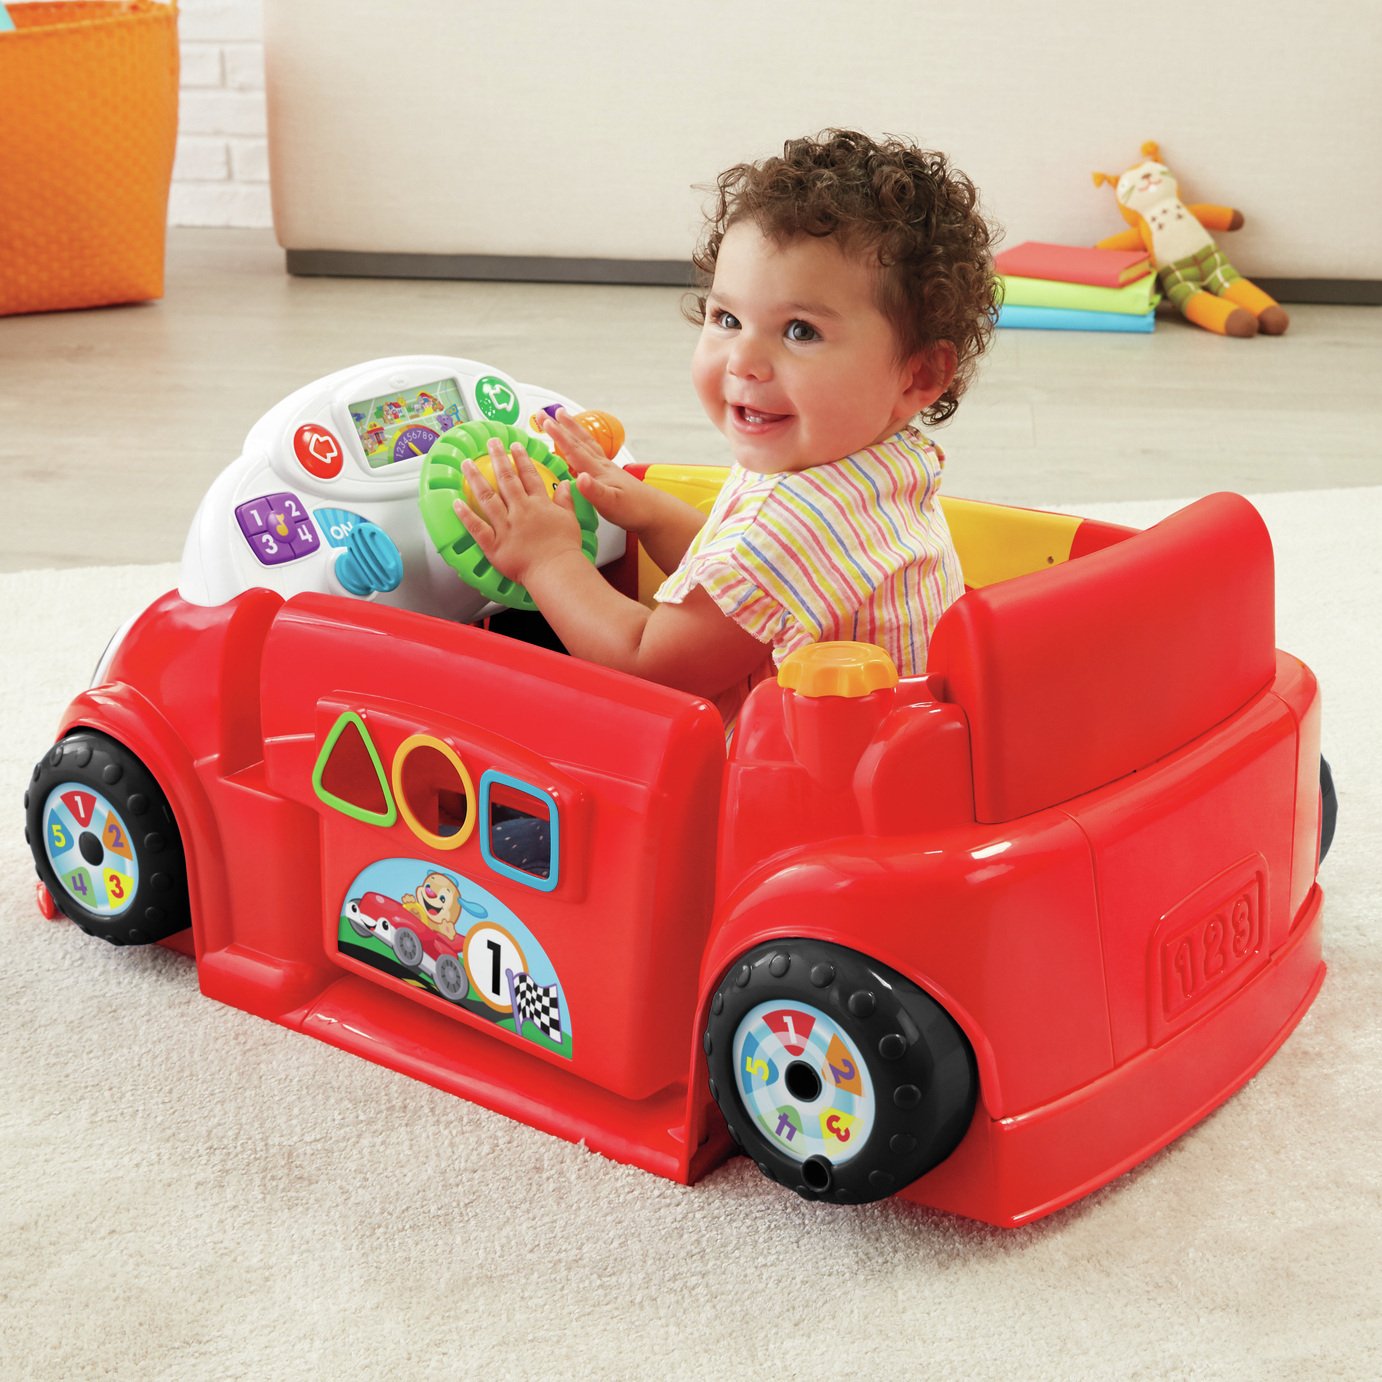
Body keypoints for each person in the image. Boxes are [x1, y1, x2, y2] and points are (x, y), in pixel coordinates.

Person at [454, 129, 999, 724]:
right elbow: (744, 592)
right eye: (728, 318)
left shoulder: (790, 524)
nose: (743, 361)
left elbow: (646, 664)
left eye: (800, 331)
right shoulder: (871, 459)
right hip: (894, 757)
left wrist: (547, 558)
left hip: (795, 794)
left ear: (919, 375)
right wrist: (651, 512)